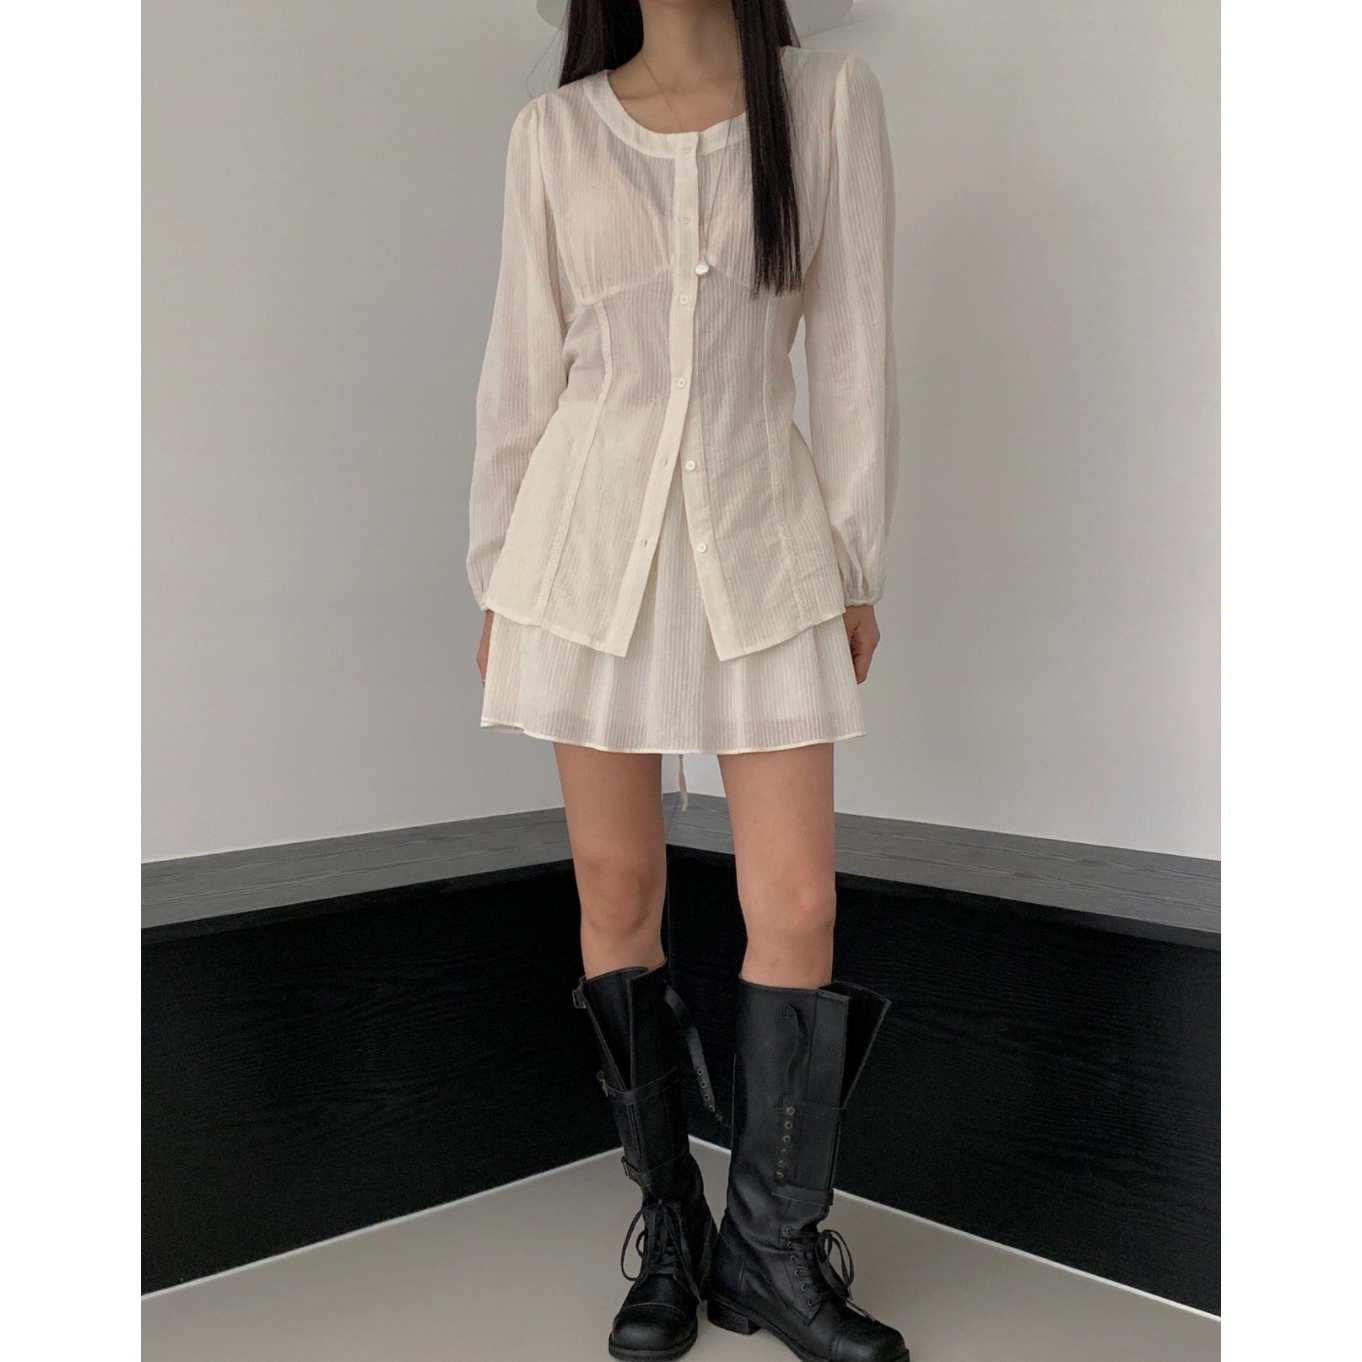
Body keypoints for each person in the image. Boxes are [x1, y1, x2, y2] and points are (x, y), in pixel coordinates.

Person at [466, 3, 907, 1360]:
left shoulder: (826, 103)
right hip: (581, 550)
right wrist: (496, 570)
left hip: (761, 537)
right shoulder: (553, 133)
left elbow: (853, 350)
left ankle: (770, 1246)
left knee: (795, 899)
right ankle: (670, 1222)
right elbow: (521, 368)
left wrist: (852, 563)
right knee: (617, 892)